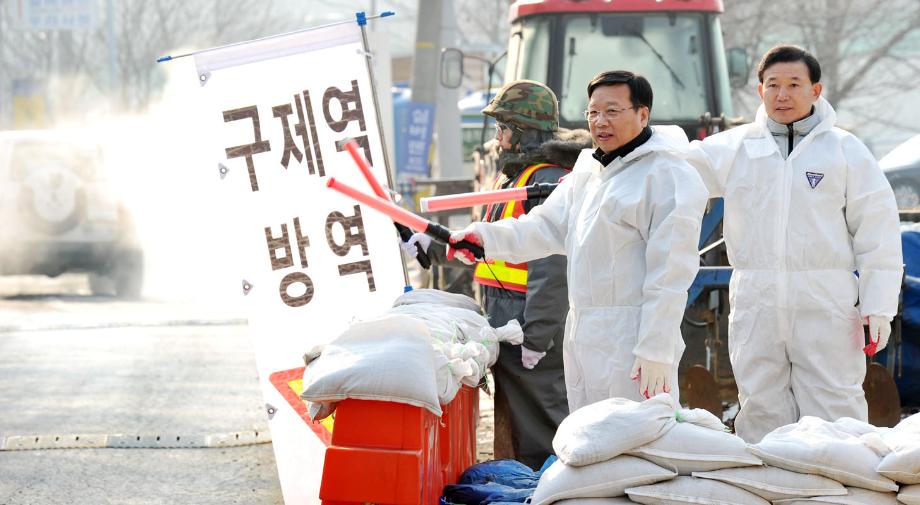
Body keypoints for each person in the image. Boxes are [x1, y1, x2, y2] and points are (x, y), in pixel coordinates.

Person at [447, 70, 709, 411]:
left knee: (639, 441)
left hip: (635, 338)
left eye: (612, 111)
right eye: (593, 113)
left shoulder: (666, 174)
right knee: (590, 438)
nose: (600, 122)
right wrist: (483, 239)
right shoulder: (589, 172)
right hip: (585, 332)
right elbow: (543, 227)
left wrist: (656, 348)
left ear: (642, 114)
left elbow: (670, 274)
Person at [683, 44, 903, 443]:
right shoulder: (737, 148)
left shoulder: (844, 150)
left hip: (825, 296)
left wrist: (879, 306)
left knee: (835, 404)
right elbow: (674, 169)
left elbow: (878, 232)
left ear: (816, 91)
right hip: (756, 295)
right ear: (759, 91)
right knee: (761, 401)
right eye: (772, 85)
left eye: (793, 85)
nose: (782, 95)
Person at [404, 80, 591, 469]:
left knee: (543, 424)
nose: (498, 139)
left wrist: (537, 334)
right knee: (520, 424)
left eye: (503, 129)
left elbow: (551, 265)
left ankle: (557, 488)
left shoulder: (546, 183)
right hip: (509, 318)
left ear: (524, 131)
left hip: (531, 321)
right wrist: (430, 246)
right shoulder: (514, 180)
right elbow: (484, 246)